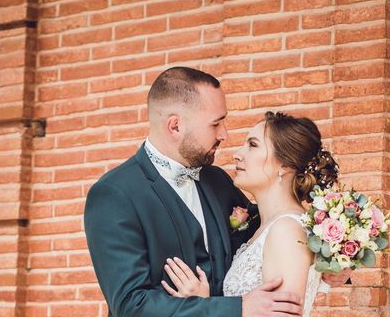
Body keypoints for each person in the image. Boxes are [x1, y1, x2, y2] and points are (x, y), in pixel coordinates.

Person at [84, 67, 304, 316]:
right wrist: (236, 309)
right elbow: (132, 305)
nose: (224, 134)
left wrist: (331, 258)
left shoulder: (218, 180)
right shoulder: (114, 194)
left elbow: (274, 227)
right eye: (215, 124)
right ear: (175, 126)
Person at [161, 111, 347, 317]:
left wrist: (206, 306)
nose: (237, 154)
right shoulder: (264, 225)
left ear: (285, 165)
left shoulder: (286, 231)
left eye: (253, 145)